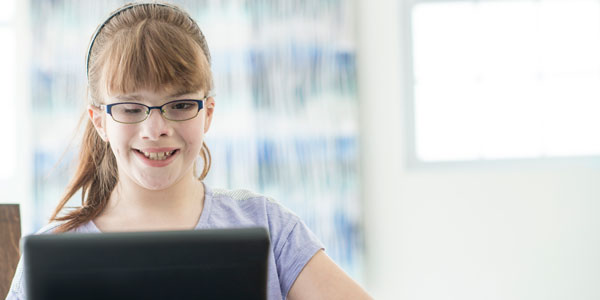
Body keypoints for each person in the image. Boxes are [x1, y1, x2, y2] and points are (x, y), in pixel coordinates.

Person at [5, 2, 371, 300]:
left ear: (207, 113)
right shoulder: (51, 256)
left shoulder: (267, 226)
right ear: (100, 121)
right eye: (131, 109)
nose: (156, 129)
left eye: (179, 105)